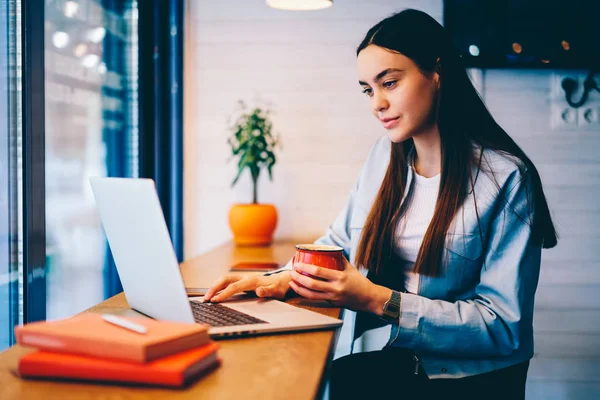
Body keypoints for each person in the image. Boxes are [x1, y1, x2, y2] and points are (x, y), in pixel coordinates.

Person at [203, 9, 557, 400]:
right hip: (394, 359)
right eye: (369, 90)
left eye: (389, 82)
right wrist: (277, 278)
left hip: (463, 381)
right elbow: (335, 242)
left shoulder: (506, 177)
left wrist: (375, 299)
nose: (377, 103)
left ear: (437, 73)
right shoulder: (383, 158)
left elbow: (503, 326)